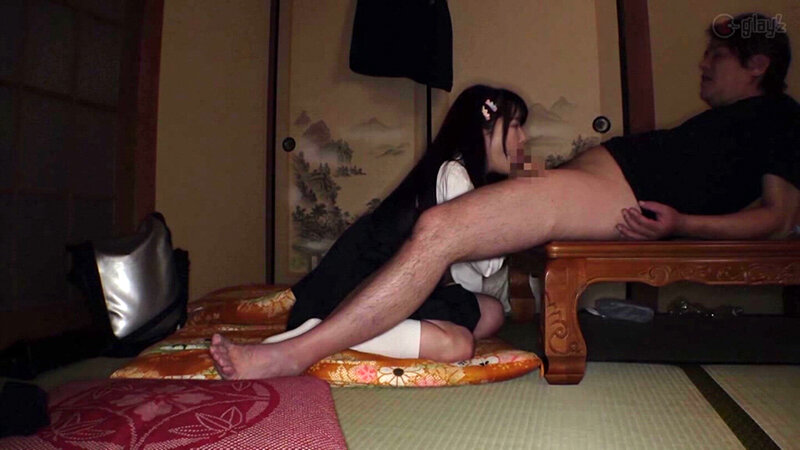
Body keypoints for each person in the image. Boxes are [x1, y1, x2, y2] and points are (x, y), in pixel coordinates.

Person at [211, 13, 799, 379]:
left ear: (758, 64)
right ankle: (337, 320)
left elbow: (778, 217)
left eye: (717, 56)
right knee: (452, 249)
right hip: (590, 183)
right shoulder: (727, 119)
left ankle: (294, 353)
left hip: (610, 192)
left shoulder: (778, 117)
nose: (703, 64)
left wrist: (683, 224)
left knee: (440, 229)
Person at [211, 85, 529, 378]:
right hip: (362, 289)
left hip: (405, 285)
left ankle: (359, 332)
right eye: (515, 126)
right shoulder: (455, 174)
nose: (524, 138)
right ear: (483, 130)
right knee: (458, 344)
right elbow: (487, 263)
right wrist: (520, 200)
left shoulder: (460, 176)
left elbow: (470, 272)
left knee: (492, 312)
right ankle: (316, 337)